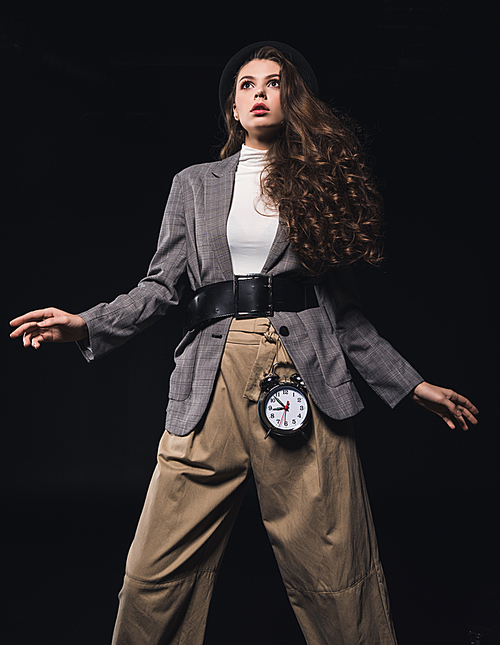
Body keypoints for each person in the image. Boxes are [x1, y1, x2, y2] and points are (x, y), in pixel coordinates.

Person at [10, 41, 478, 645]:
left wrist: (410, 384)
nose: (259, 92)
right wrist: (88, 323)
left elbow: (345, 315)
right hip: (211, 373)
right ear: (232, 106)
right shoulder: (193, 185)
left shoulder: (318, 183)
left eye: (274, 83)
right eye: (246, 84)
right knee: (153, 572)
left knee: (335, 566)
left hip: (303, 372)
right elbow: (160, 285)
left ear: (293, 99)